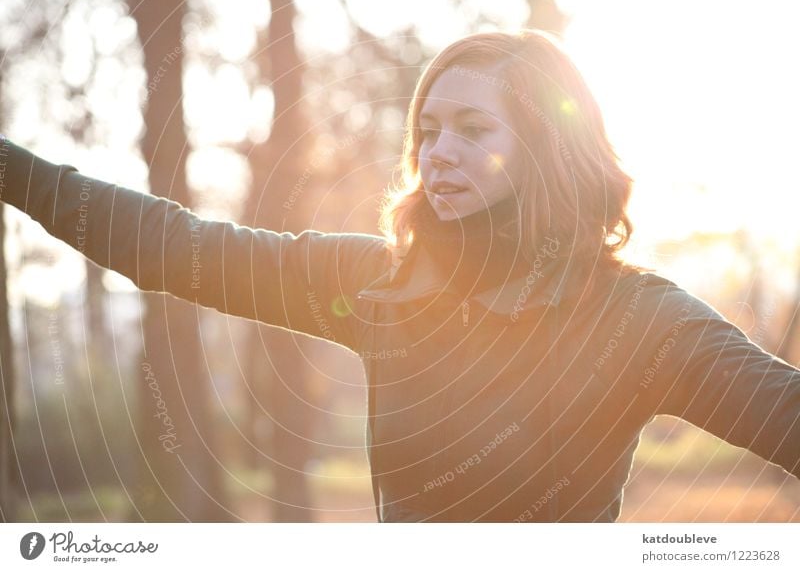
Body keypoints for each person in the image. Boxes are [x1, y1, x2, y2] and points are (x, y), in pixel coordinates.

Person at [0, 29, 798, 523]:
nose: (437, 151)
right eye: (428, 129)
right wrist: (16, 173)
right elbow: (179, 246)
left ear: (550, 150)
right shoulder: (378, 287)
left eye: (473, 128)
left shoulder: (639, 319)